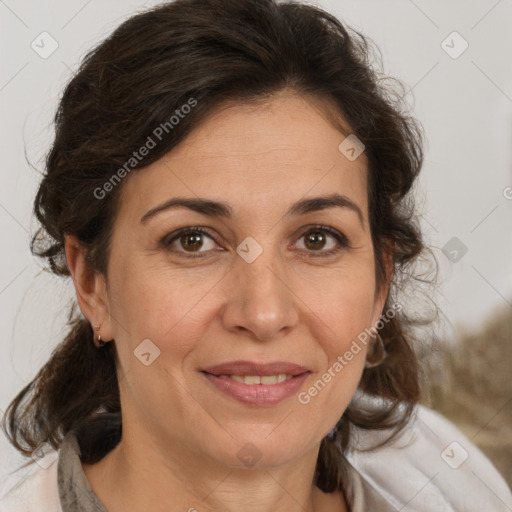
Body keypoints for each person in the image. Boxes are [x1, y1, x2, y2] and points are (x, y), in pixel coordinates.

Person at [1, 0, 511, 510]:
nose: (264, 314)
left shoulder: (451, 479)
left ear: (380, 281)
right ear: (93, 282)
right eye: (193, 240)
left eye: (317, 239)